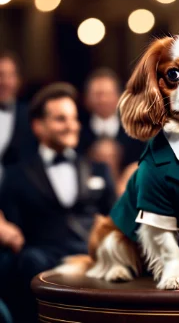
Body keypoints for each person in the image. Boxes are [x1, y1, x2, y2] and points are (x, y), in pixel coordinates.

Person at [0, 82, 116, 322]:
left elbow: (116, 219)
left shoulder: (98, 169)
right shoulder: (16, 176)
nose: (71, 126)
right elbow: (13, 229)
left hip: (91, 256)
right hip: (42, 260)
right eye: (60, 119)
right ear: (38, 126)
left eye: (73, 118)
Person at [78, 67, 145, 167]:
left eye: (108, 94)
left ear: (119, 96)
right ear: (86, 98)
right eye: (97, 95)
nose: (103, 100)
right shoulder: (77, 131)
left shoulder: (137, 132)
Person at [0, 51, 36, 184]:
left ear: (18, 80)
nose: (4, 82)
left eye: (10, 76)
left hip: (17, 198)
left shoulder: (31, 117)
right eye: (0, 75)